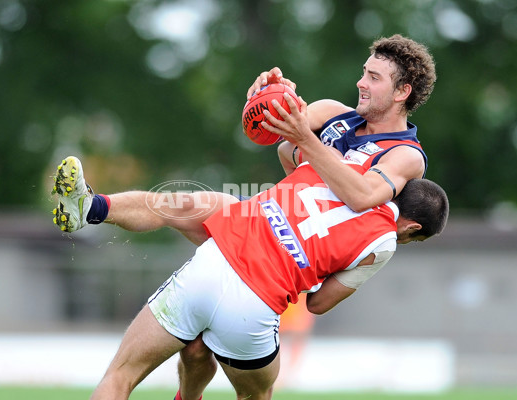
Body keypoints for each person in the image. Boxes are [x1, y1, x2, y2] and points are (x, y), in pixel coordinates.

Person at [52, 33, 438, 400]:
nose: (361, 83)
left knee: (129, 373)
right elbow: (283, 147)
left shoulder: (406, 154)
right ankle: (90, 207)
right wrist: (270, 99)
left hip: (252, 261)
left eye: (374, 77)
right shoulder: (334, 114)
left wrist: (306, 142)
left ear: (403, 92)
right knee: (188, 203)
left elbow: (362, 195)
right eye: (363, 72)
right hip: (259, 258)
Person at [85, 159, 448, 400]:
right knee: (256, 395)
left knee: (120, 377)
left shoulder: (338, 165)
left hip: (213, 262)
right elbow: (317, 304)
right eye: (413, 238)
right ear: (414, 227)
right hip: (254, 305)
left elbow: (289, 148)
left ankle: (95, 206)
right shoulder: (384, 244)